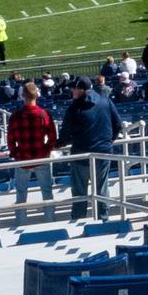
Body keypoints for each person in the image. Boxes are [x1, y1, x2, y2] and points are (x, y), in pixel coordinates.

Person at [58, 77, 120, 220]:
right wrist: (108, 141)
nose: (72, 91)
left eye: (74, 88)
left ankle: (78, 220)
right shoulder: (106, 101)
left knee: (80, 191)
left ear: (80, 89)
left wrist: (57, 144)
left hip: (81, 154)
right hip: (103, 152)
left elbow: (65, 135)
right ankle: (103, 218)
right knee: (101, 188)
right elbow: (117, 125)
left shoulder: (73, 108)